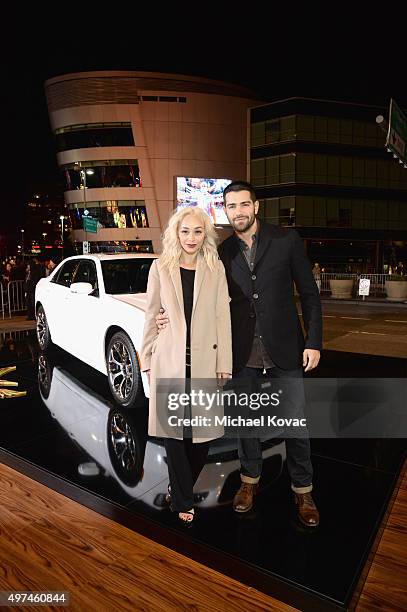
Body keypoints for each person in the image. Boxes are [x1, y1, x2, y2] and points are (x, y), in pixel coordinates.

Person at [157, 181, 322, 528]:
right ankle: (249, 481)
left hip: (286, 349)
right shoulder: (222, 251)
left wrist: (313, 341)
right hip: (243, 351)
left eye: (244, 205)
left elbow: (309, 293)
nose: (239, 212)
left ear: (256, 206)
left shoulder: (285, 240)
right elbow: (206, 301)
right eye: (232, 207)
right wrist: (164, 316)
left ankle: (303, 488)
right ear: (225, 211)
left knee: (295, 423)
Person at [140, 207, 232, 526]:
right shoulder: (160, 268)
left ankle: (178, 486)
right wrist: (147, 358)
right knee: (174, 435)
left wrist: (225, 362)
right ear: (175, 233)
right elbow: (152, 314)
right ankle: (182, 498)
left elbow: (223, 316)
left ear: (204, 234)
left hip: (205, 362)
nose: (191, 238)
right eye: (185, 231)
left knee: (202, 438)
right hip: (169, 361)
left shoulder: (215, 267)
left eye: (197, 231)